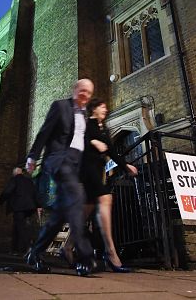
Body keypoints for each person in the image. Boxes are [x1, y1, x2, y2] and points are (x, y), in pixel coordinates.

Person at [25, 78, 96, 276]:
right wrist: (32, 156)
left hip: (75, 165)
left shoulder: (85, 113)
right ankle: (85, 256)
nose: (85, 95)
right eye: (82, 90)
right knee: (77, 197)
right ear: (75, 89)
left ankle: (35, 252)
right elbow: (44, 133)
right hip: (58, 159)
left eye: (88, 93)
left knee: (60, 214)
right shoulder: (60, 106)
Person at [79, 98, 138, 273]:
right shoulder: (86, 124)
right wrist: (91, 142)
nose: (105, 109)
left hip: (97, 171)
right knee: (106, 198)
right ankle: (111, 253)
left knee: (83, 216)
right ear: (93, 109)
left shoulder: (104, 129)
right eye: (102, 106)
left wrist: (125, 165)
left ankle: (66, 248)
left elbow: (111, 151)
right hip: (87, 170)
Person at [0, 166, 41, 256]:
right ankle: (16, 249)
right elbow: (35, 193)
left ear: (15, 173)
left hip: (19, 207)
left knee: (20, 227)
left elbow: (8, 191)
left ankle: (27, 248)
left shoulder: (14, 179)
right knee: (22, 227)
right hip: (30, 207)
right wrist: (38, 206)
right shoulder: (29, 181)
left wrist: (0, 201)